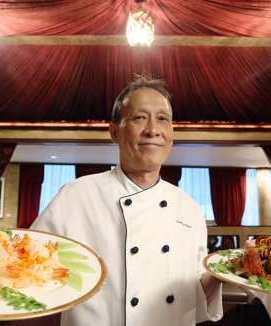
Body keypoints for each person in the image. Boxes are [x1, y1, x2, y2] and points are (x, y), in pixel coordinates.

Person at [31, 76, 223, 326]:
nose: (152, 130)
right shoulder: (77, 195)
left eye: (163, 119)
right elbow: (27, 265)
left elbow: (195, 294)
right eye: (139, 117)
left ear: (172, 133)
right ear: (114, 132)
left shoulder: (189, 208)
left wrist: (225, 273)